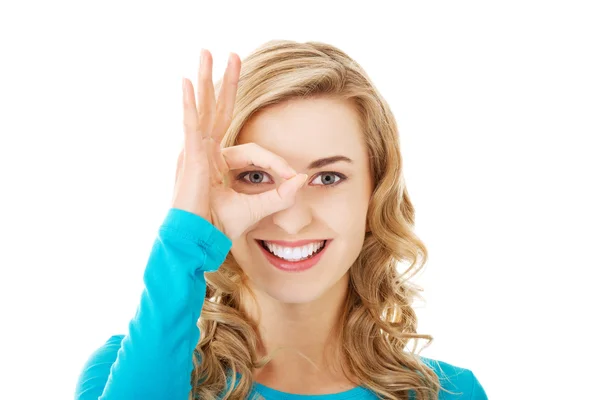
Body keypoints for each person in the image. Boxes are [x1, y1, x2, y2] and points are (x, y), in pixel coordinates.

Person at [75, 40, 488, 400]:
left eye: (328, 177)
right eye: (256, 176)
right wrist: (187, 239)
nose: (292, 220)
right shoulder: (125, 371)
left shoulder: (451, 394)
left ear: (374, 193)